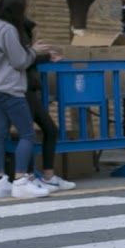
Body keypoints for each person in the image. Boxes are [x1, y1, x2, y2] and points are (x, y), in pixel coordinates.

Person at [0, 0, 61, 200]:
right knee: (27, 134)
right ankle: (21, 180)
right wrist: (33, 51)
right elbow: (20, 61)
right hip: (10, 88)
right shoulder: (8, 30)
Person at [20, 15, 73, 192]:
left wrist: (45, 57)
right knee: (32, 133)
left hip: (27, 89)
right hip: (21, 89)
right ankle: (28, 177)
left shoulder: (17, 35)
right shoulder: (15, 35)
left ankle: (43, 176)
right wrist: (35, 52)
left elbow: (26, 59)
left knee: (41, 131)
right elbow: (20, 61)